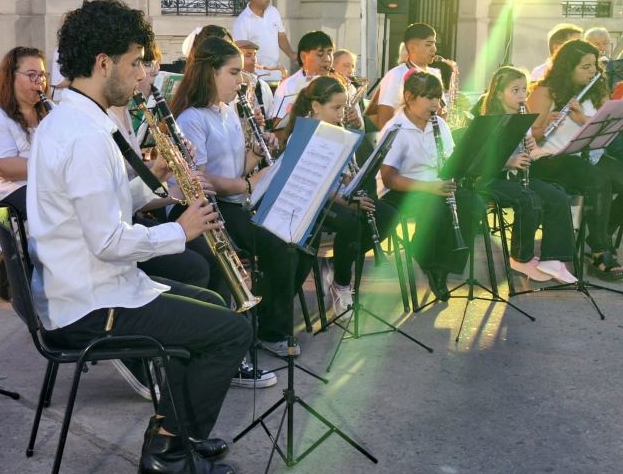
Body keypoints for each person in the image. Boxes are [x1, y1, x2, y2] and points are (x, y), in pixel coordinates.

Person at [28, 0, 250, 474]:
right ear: (103, 63)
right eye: (134, 64)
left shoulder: (77, 120)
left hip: (93, 285)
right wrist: (182, 230)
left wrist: (159, 175)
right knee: (231, 332)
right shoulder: (84, 136)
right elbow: (108, 240)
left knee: (214, 305)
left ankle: (173, 431)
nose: (141, 76)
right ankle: (170, 449)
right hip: (90, 302)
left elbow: (104, 207)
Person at [170, 36, 312, 357]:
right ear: (210, 73)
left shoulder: (228, 110)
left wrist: (257, 152)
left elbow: (238, 167)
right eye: (233, 73)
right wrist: (248, 184)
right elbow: (200, 181)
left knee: (299, 242)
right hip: (214, 209)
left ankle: (265, 318)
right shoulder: (192, 118)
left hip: (237, 201)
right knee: (280, 248)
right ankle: (270, 330)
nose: (241, 80)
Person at [283, 76, 397, 314]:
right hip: (314, 201)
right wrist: (348, 200)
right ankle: (341, 284)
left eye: (343, 107)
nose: (341, 113)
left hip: (339, 194)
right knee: (351, 221)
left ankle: (336, 263)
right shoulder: (303, 134)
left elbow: (345, 176)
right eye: (336, 108)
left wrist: (353, 186)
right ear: (316, 106)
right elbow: (315, 185)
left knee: (387, 214)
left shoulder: (339, 131)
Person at [379, 71, 485, 300]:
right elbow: (389, 179)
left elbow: (450, 161)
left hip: (435, 184)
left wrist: (459, 169)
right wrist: (429, 188)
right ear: (409, 97)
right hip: (402, 189)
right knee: (436, 207)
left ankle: (444, 266)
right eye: (429, 98)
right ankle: (429, 261)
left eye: (438, 97)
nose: (436, 104)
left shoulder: (439, 125)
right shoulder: (395, 129)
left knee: (473, 203)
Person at [527, 39, 623, 280]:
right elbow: (527, 136)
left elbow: (605, 126)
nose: (592, 71)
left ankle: (601, 232)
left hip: (587, 154)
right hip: (551, 158)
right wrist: (545, 126)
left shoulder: (597, 91)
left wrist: (582, 120)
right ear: (567, 68)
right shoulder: (544, 92)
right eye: (585, 67)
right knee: (598, 181)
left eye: (594, 66)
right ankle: (599, 252)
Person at [479, 66, 576, 283]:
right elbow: (480, 160)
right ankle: (520, 258)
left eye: (524, 89)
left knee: (558, 196)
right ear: (498, 94)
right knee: (531, 199)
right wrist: (509, 161)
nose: (522, 95)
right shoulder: (490, 121)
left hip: (514, 177)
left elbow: (529, 154)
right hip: (491, 180)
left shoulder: (523, 119)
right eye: (515, 90)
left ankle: (553, 259)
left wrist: (533, 149)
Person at [0, 47, 50, 218]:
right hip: (7, 192)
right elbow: (1, 167)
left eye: (42, 75)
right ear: (11, 77)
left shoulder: (49, 111)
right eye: (32, 75)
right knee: (63, 205)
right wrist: (56, 166)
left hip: (45, 184)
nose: (40, 81)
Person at [373, 23, 442, 129]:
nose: (434, 49)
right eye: (428, 44)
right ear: (412, 47)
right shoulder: (395, 75)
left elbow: (441, 112)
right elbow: (384, 122)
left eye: (434, 44)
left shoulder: (435, 73)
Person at [232, 0, 295, 81]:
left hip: (277, 74)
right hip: (256, 77)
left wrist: (292, 55)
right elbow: (240, 53)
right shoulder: (242, 21)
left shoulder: (273, 11)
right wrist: (262, 69)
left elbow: (281, 36)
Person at [270, 30, 335, 122]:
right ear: (303, 57)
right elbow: (278, 125)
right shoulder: (288, 87)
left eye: (329, 53)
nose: (327, 59)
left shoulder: (336, 82)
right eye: (320, 54)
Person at [236, 39, 274, 120]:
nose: (254, 59)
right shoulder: (230, 87)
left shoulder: (263, 86)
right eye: (248, 55)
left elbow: (270, 119)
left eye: (255, 55)